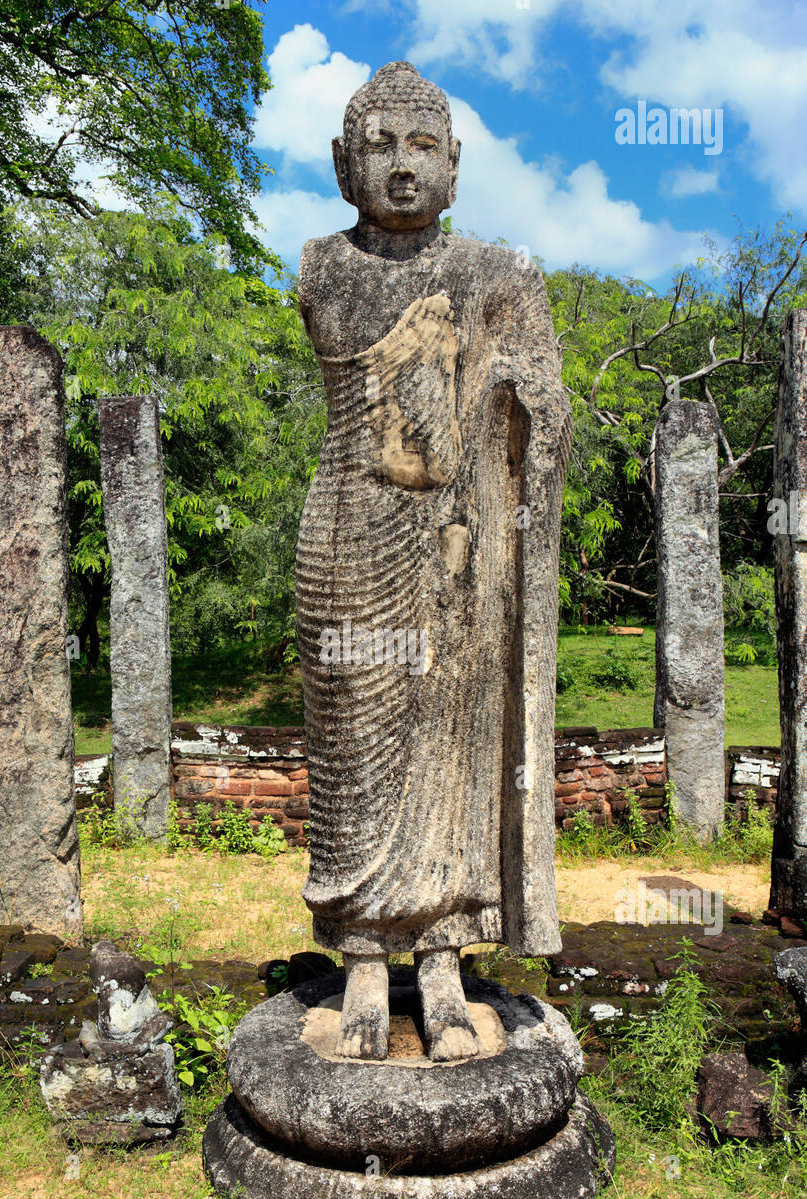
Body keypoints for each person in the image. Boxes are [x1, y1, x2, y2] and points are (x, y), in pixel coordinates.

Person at [296, 62, 571, 1061]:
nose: (402, 168)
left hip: (456, 554)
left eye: (423, 149)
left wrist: (526, 396)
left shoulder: (499, 275)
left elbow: (548, 419)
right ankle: (364, 961)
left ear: (454, 168)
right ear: (341, 165)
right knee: (354, 752)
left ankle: (445, 967)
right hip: (345, 540)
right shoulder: (320, 266)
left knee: (452, 751)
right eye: (380, 147)